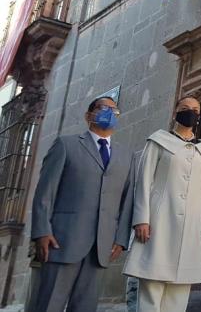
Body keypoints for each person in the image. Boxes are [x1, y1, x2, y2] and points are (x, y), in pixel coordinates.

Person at [30, 96, 135, 312]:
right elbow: (45, 192)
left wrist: (121, 239)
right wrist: (42, 231)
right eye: (103, 108)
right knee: (49, 304)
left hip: (101, 247)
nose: (109, 113)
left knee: (85, 307)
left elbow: (127, 200)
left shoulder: (127, 156)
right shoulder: (66, 145)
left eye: (114, 110)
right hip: (61, 241)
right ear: (89, 115)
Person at [123, 96, 201, 312]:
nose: (190, 112)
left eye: (195, 109)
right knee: (151, 287)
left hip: (191, 226)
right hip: (159, 221)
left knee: (179, 293)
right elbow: (144, 181)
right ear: (175, 112)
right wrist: (141, 219)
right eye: (185, 108)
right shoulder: (158, 141)